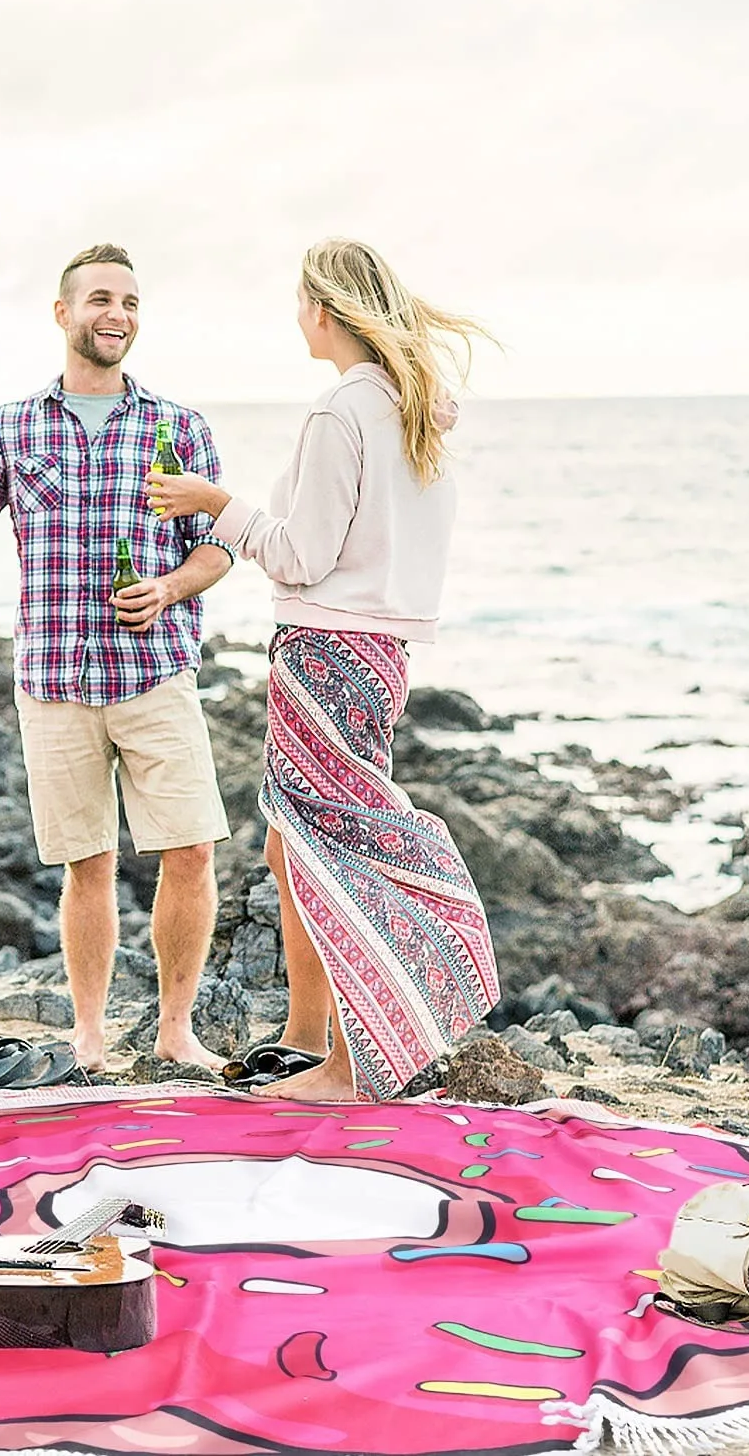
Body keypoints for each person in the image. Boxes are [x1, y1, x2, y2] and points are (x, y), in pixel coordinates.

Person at [147, 238, 500, 1102]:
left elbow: (301, 555)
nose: (294, 314)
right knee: (286, 844)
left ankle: (350, 1063)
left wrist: (216, 508)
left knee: (329, 849)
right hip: (379, 655)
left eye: (300, 300)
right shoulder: (412, 408)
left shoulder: (342, 411)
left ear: (325, 310)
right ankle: (308, 1036)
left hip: (326, 650)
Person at [0, 244, 234, 1073]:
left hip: (156, 673)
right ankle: (90, 1035)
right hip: (55, 682)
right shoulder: (15, 425)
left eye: (130, 303)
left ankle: (175, 1032)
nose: (117, 316)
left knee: (192, 849)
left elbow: (217, 550)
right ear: (63, 314)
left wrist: (169, 588)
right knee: (87, 865)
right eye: (101, 299)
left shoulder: (179, 428)